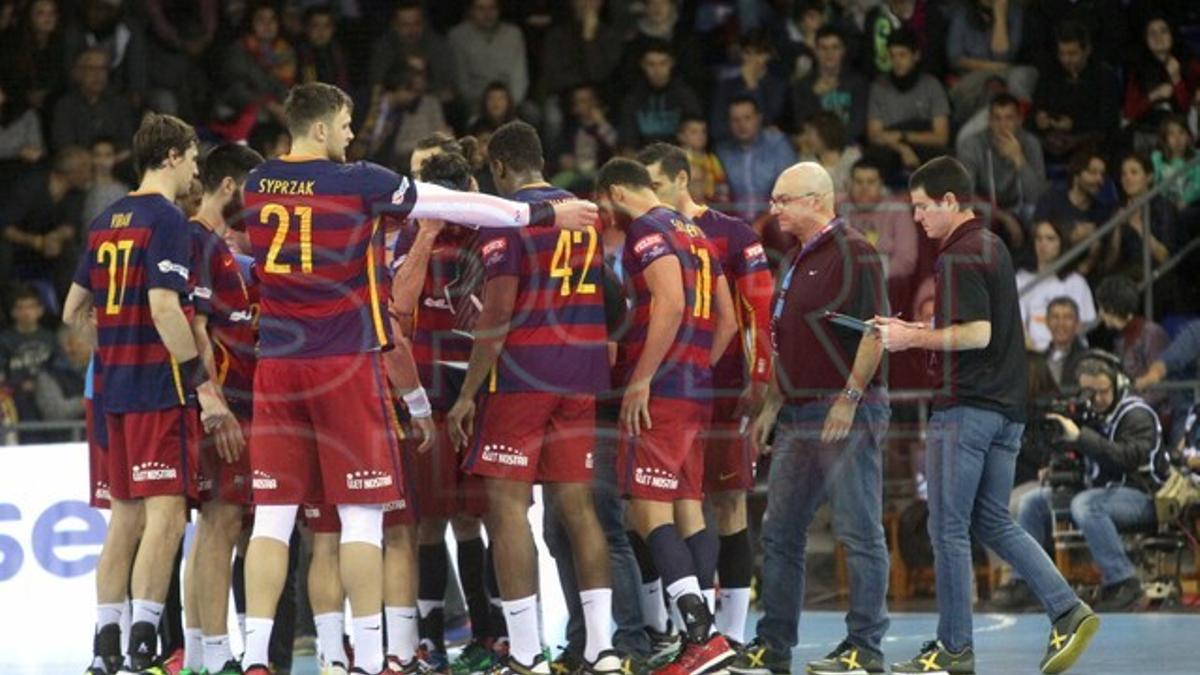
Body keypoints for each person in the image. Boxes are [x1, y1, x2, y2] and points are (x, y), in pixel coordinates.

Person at [234, 82, 596, 675]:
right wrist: (542, 212)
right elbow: (454, 203)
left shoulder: (257, 183)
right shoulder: (355, 180)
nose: (352, 134)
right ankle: (374, 661)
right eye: (347, 123)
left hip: (277, 365)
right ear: (321, 128)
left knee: (274, 517)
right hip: (344, 363)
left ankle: (255, 657)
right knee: (360, 516)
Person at [873, 156, 1098, 674]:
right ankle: (1067, 609)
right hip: (1005, 410)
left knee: (947, 529)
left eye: (924, 208)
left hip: (966, 409)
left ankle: (954, 648)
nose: (919, 219)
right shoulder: (992, 245)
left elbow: (977, 333)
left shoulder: (957, 255)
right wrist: (920, 327)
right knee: (992, 520)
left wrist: (909, 337)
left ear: (951, 202)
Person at [63, 112, 240, 674]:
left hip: (110, 391)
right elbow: (167, 308)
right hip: (156, 388)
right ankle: (144, 644)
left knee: (124, 520)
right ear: (169, 157)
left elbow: (72, 311)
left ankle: (105, 646)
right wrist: (200, 385)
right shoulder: (165, 218)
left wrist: (113, 337)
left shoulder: (104, 219)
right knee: (166, 518)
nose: (195, 168)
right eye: (191, 157)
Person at [444, 120, 621, 675]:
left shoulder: (509, 223)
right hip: (578, 377)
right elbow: (614, 298)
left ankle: (525, 653)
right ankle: (602, 647)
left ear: (498, 168)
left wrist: (467, 393)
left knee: (507, 510)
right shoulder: (585, 216)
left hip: (520, 379)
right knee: (578, 510)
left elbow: (495, 315)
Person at [727, 162, 890, 675]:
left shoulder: (854, 253)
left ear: (817, 200)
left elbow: (876, 331)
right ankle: (773, 643)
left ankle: (866, 646)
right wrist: (772, 406)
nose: (773, 209)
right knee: (780, 532)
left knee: (858, 529)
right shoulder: (795, 258)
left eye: (783, 199)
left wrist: (849, 396)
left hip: (841, 409)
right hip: (798, 411)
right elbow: (784, 340)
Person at [595, 157, 739, 674]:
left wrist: (644, 377)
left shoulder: (647, 229)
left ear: (615, 192)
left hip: (663, 390)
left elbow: (672, 302)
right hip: (695, 387)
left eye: (602, 205)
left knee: (646, 509)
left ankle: (699, 636)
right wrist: (697, 367)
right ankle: (707, 637)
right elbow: (727, 321)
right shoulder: (697, 234)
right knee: (687, 507)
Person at [639, 143, 773, 649]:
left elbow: (757, 311)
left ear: (680, 180)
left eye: (654, 184)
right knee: (665, 505)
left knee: (728, 505)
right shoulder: (645, 234)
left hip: (720, 393)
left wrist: (759, 381)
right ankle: (679, 630)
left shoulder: (733, 234)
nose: (647, 195)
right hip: (670, 395)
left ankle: (732, 636)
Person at [389, 134, 501, 674]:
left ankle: (490, 634)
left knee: (476, 521)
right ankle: (429, 640)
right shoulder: (411, 234)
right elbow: (398, 307)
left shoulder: (489, 233)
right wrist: (426, 233)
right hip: (429, 396)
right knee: (430, 522)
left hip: (480, 395)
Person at [180, 143, 265, 675]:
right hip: (224, 409)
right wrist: (213, 404)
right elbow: (193, 328)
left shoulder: (219, 247)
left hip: (240, 406)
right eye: (251, 192)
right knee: (220, 526)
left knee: (223, 529)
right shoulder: (197, 241)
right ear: (229, 187)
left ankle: (201, 652)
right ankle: (213, 657)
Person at [999, 352, 1166, 612]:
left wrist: (1081, 437)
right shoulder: (1087, 413)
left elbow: (1128, 459)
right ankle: (1027, 583)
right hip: (1097, 492)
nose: (1096, 399)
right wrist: (1054, 465)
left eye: (1102, 391)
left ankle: (1123, 581)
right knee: (1033, 502)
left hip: (1142, 496)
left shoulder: (1137, 414)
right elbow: (1079, 458)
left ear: (1118, 383)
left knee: (1086, 505)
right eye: (1089, 392)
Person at [957, 93, 1046, 258]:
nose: (1002, 125)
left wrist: (1020, 160)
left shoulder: (1030, 143)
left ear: (1019, 120)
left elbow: (1037, 196)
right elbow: (964, 195)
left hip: (1021, 209)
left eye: (1009, 118)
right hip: (985, 210)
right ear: (989, 121)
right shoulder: (972, 145)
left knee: (1042, 220)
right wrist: (1003, 217)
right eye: (997, 119)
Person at [1, 144, 91, 297]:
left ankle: (67, 311)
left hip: (50, 244)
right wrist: (37, 242)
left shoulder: (77, 192)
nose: (90, 175)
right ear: (72, 173)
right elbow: (5, 227)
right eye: (87, 170)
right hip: (19, 243)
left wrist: (55, 237)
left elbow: (70, 225)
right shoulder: (28, 186)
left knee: (71, 253)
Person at [1029, 22, 1120, 162]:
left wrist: (1075, 124)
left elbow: (1108, 121)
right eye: (1062, 54)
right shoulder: (1049, 73)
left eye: (1072, 54)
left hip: (1087, 138)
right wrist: (1040, 117)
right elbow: (1037, 105)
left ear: (1087, 50)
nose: (1066, 60)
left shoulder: (1105, 77)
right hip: (1051, 137)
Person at [865, 29, 950, 175]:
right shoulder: (879, 86)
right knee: (876, 155)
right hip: (891, 149)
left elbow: (941, 137)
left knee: (942, 158)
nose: (897, 61)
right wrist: (902, 147)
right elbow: (874, 135)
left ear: (915, 55)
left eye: (902, 55)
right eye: (892, 56)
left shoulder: (931, 85)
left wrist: (903, 136)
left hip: (922, 146)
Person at [838, 158, 920, 308]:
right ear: (849, 184)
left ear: (881, 184)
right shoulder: (839, 207)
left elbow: (906, 260)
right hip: (843, 281)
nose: (864, 188)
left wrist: (869, 276)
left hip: (886, 285)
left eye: (870, 182)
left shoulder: (897, 210)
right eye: (858, 182)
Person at [945, 0, 1037, 127]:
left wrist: (1000, 16)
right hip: (974, 74)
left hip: (1008, 72)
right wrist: (994, 67)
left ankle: (1016, 127)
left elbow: (1003, 56)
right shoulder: (963, 13)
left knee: (1020, 76)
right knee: (982, 88)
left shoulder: (1015, 12)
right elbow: (955, 58)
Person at [214, 3, 296, 142]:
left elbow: (285, 86)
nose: (267, 25)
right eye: (261, 20)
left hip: (276, 108)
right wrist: (270, 106)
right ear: (250, 23)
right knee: (261, 117)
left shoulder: (285, 51)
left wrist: (283, 106)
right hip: (241, 107)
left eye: (272, 20)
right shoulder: (239, 49)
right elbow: (236, 89)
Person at [1032, 149, 1112, 280]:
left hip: (1082, 277)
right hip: (1045, 272)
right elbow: (1035, 234)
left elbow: (1104, 259)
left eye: (1102, 175)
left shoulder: (1101, 211)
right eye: (1092, 173)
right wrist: (1071, 233)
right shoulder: (1051, 200)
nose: (1100, 180)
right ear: (1076, 175)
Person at [1016, 220, 1096, 352]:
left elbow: (1084, 323)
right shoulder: (1021, 279)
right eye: (1038, 238)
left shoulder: (1076, 282)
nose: (1043, 244)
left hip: (1068, 354)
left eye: (1050, 239)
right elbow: (1017, 325)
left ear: (1061, 243)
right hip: (1030, 355)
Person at [716, 97, 797, 222]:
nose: (741, 125)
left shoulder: (777, 144)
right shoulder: (723, 152)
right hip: (735, 222)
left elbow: (789, 192)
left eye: (747, 118)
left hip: (774, 219)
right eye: (735, 120)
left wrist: (762, 222)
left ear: (759, 118)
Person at [369, 0, 457, 108]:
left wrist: (426, 87)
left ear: (424, 23)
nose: (411, 30)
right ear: (395, 25)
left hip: (434, 100)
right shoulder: (383, 47)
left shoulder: (437, 44)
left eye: (417, 23)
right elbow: (377, 83)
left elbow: (447, 83)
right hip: (397, 103)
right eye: (405, 25)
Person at [1103, 153, 1176, 282]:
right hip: (1126, 272)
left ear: (1149, 177)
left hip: (1156, 275)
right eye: (1124, 174)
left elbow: (1165, 257)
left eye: (1134, 172)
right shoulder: (1119, 209)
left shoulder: (1163, 206)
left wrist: (1139, 227)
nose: (1127, 178)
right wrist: (1117, 228)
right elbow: (1110, 262)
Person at [1121, 15, 1200, 135]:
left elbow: (1188, 109)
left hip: (1183, 132)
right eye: (1152, 33)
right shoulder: (1139, 68)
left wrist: (1177, 79)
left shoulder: (1190, 63)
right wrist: (1153, 96)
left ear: (1172, 35)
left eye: (1163, 31)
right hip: (1148, 131)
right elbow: (1129, 112)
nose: (1158, 37)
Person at [791, 26, 869, 144]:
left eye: (835, 48)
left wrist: (833, 144)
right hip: (814, 147)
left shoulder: (857, 83)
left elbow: (857, 125)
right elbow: (802, 124)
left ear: (843, 51)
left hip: (848, 147)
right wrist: (814, 96)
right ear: (816, 51)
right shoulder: (803, 86)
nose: (829, 53)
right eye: (824, 48)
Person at [619, 40, 703, 150]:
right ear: (642, 65)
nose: (657, 70)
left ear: (671, 63)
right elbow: (627, 143)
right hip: (642, 161)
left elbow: (695, 136)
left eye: (663, 63)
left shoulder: (685, 96)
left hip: (678, 160)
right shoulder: (633, 98)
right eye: (651, 64)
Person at [0, 285, 59, 438]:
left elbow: (60, 370)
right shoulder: (4, 340)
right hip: (14, 397)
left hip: (47, 394)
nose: (26, 312)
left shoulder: (50, 338)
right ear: (13, 312)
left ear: (40, 310)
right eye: (20, 308)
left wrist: (40, 383)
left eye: (31, 307)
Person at [447, 0, 529, 109]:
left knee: (532, 114)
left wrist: (507, 105)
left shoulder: (514, 35)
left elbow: (519, 78)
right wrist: (489, 105)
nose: (487, 13)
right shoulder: (457, 36)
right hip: (474, 103)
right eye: (481, 8)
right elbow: (462, 83)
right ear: (471, 11)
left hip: (509, 102)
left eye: (492, 8)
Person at [710, 31, 787, 144]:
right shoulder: (726, 86)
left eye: (759, 53)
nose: (753, 59)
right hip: (731, 146)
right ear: (741, 54)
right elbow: (717, 128)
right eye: (748, 53)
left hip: (767, 147)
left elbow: (768, 122)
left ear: (769, 55)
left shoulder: (778, 87)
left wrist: (752, 86)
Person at [51, 48, 135, 152]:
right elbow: (64, 145)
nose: (98, 75)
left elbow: (128, 141)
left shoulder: (119, 103)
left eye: (102, 69)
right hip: (79, 163)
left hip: (115, 161)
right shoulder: (65, 106)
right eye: (91, 68)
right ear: (77, 73)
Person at [797, 112, 861, 194]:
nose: (805, 138)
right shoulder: (805, 161)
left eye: (809, 133)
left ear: (825, 132)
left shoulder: (853, 157)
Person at [296, 5, 351, 91]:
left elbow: (343, 82)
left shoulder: (338, 51)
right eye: (315, 25)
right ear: (306, 28)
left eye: (327, 26)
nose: (321, 31)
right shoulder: (300, 52)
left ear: (333, 29)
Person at [1151, 114, 1200, 211]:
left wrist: (1185, 200)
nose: (1177, 139)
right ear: (1165, 138)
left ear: (1188, 136)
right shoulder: (1157, 158)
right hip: (1165, 207)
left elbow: (1198, 185)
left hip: (1193, 206)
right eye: (1171, 134)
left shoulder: (1197, 156)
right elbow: (1155, 186)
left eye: (1181, 132)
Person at [82, 138, 131, 228]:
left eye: (108, 155)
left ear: (115, 158)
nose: (102, 161)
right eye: (97, 155)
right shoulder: (82, 187)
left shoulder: (120, 191)